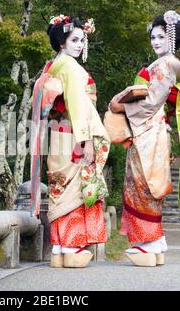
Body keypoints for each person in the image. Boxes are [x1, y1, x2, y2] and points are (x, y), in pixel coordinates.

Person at [109, 10, 180, 267]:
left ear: (171, 38)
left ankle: (149, 242)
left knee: (141, 184)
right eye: (153, 38)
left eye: (160, 37)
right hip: (154, 130)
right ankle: (155, 242)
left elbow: (151, 102)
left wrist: (120, 106)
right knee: (149, 185)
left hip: (148, 129)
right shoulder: (171, 65)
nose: (155, 42)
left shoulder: (164, 65)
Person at [30, 15, 111, 268]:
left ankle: (58, 249)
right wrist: (87, 141)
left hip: (59, 136)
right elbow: (77, 106)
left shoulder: (52, 67)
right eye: (74, 40)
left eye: (81, 40)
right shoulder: (73, 68)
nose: (79, 44)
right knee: (76, 190)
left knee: (59, 188)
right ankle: (73, 247)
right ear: (61, 43)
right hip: (75, 135)